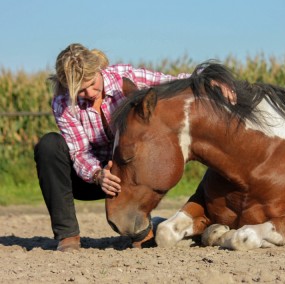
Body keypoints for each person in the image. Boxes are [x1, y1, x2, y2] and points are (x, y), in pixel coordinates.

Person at [34, 43, 236, 252]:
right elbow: (79, 152)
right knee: (49, 145)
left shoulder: (125, 77)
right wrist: (98, 174)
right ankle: (67, 235)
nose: (89, 92)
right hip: (94, 176)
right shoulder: (63, 103)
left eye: (92, 83)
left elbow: (173, 82)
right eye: (80, 91)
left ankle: (142, 229)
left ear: (98, 71)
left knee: (141, 151)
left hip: (129, 171)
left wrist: (209, 80)